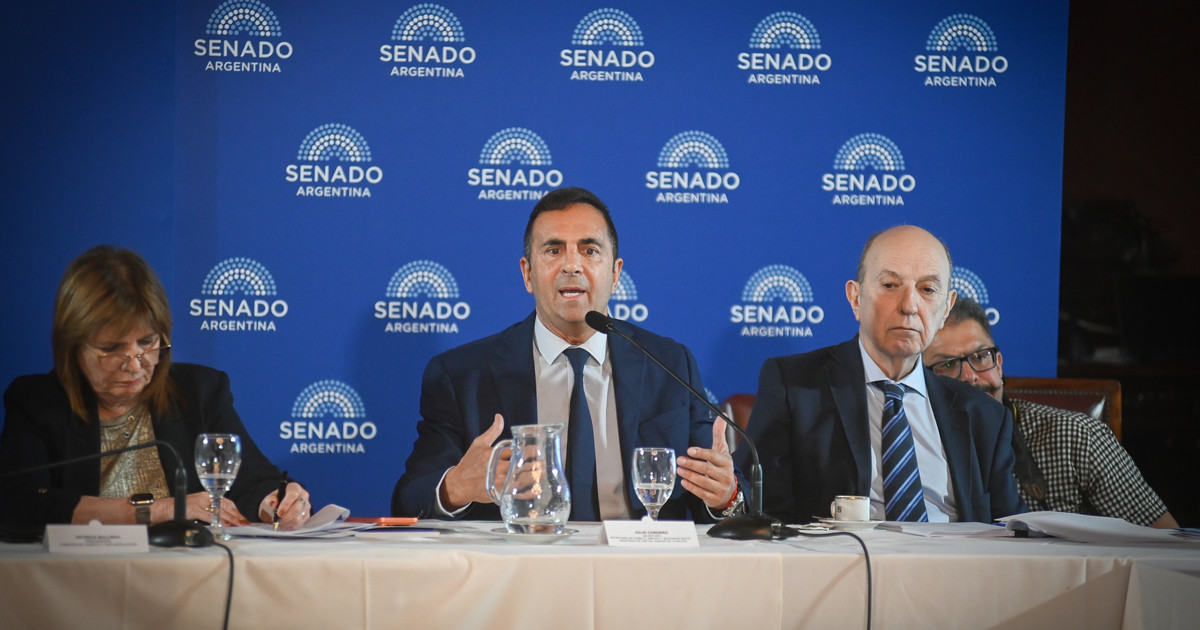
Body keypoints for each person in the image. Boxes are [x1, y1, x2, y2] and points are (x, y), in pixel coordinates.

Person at [392, 187, 742, 521]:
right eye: (554, 250)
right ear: (528, 274)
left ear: (615, 274)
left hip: (637, 559)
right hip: (521, 560)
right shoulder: (462, 376)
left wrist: (726, 495)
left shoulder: (669, 365)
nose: (571, 265)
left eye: (589, 251)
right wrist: (455, 487)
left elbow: (725, 498)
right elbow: (409, 501)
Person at [0, 246, 311, 535]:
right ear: (72, 347)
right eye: (111, 348)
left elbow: (253, 481)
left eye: (147, 342)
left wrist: (277, 502)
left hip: (186, 570)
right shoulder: (37, 402)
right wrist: (161, 509)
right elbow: (23, 501)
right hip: (81, 572)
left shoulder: (199, 391)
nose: (135, 365)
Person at [744, 225, 1025, 524]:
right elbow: (761, 508)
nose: (909, 306)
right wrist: (729, 494)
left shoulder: (983, 415)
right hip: (844, 553)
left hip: (955, 554)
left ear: (946, 308)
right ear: (856, 298)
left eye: (928, 290)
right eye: (890, 285)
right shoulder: (795, 386)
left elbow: (1012, 531)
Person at [923, 297, 1178, 528]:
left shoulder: (1078, 436)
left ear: (999, 365)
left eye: (980, 357)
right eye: (947, 364)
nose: (970, 376)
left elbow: (1164, 541)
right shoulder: (919, 448)